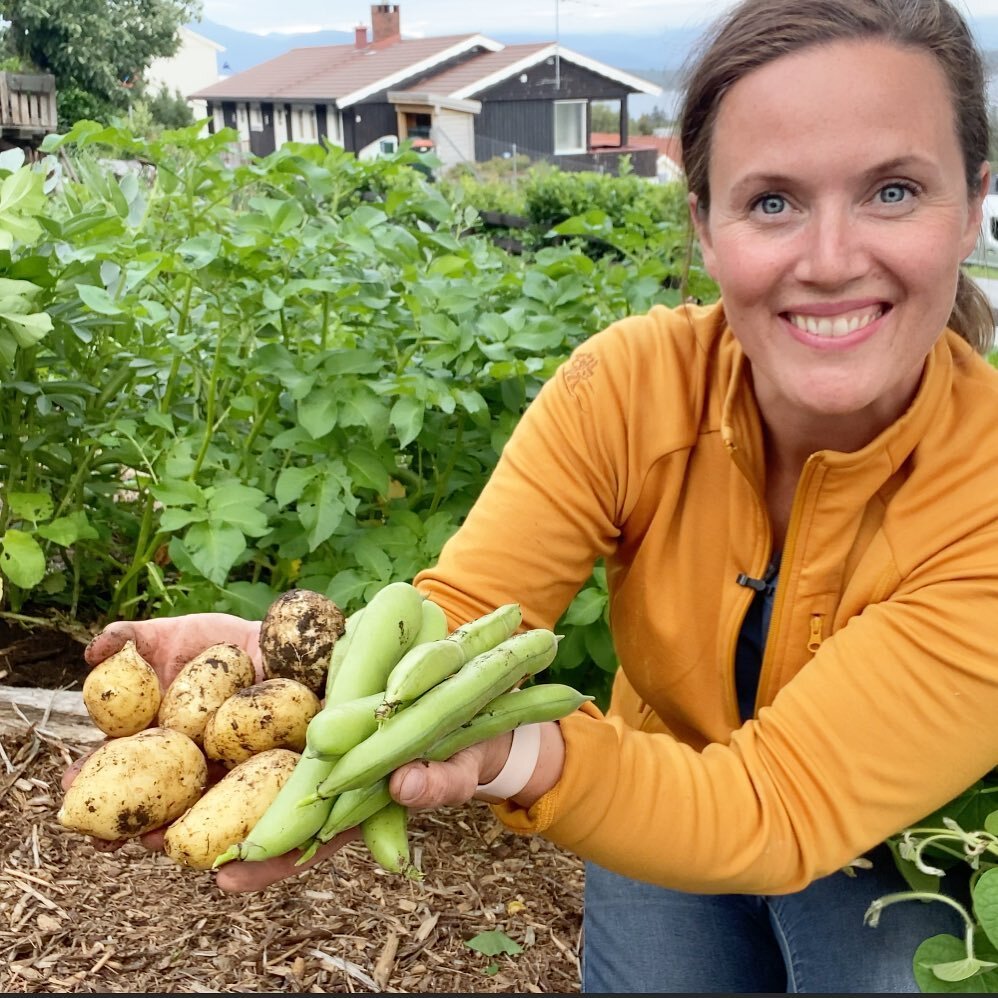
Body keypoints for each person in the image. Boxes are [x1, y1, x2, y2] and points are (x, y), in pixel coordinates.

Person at [65, 0, 998, 990]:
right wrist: (299, 668)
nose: (827, 258)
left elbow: (779, 803)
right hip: (651, 764)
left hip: (891, 825)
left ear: (974, 204)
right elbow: (464, 616)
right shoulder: (632, 386)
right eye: (771, 201)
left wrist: (511, 749)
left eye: (892, 190)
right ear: (703, 224)